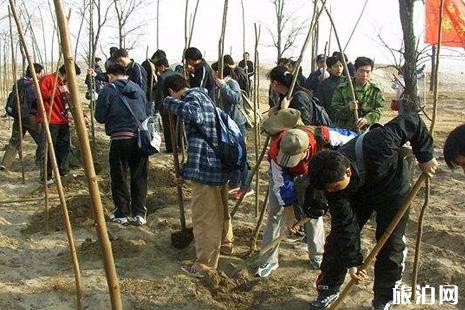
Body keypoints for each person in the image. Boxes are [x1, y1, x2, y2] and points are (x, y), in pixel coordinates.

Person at [305, 113, 439, 310]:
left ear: (347, 172)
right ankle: (328, 290)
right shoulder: (331, 187)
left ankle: (384, 298)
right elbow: (346, 226)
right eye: (328, 190)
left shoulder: (380, 143)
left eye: (334, 187)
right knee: (337, 241)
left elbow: (412, 121)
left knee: (391, 244)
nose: (330, 192)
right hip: (358, 194)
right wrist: (353, 263)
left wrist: (425, 156)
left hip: (393, 190)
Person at [256, 109, 357, 278]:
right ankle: (269, 259)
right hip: (283, 179)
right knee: (275, 213)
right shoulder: (276, 152)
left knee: (314, 211)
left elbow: (353, 140)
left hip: (314, 173)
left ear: (306, 150)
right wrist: (290, 215)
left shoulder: (323, 135)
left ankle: (317, 255)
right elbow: (282, 186)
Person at [163, 74, 233, 276]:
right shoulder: (204, 97)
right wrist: (185, 172)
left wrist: (169, 103)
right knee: (220, 211)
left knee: (205, 218)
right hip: (215, 166)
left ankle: (204, 265)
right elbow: (200, 144)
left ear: (171, 91)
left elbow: (194, 115)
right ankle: (225, 244)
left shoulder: (193, 98)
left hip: (207, 172)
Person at [95, 64, 149, 226]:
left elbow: (100, 117)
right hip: (140, 138)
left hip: (119, 139)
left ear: (111, 76)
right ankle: (139, 214)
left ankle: (122, 212)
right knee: (139, 176)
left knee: (119, 176)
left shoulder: (108, 90)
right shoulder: (138, 89)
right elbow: (146, 111)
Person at [211, 60, 252, 199]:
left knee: (241, 156)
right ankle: (235, 182)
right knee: (231, 155)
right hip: (226, 124)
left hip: (237, 124)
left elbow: (236, 98)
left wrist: (223, 86)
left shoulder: (231, 83)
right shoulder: (217, 85)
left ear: (219, 72)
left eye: (214, 71)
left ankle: (246, 186)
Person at [37, 63, 81, 182]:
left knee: (63, 147)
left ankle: (64, 172)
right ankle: (46, 177)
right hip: (50, 119)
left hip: (63, 120)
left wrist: (83, 115)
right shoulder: (47, 79)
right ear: (66, 73)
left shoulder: (65, 84)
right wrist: (58, 90)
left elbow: (71, 101)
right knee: (48, 149)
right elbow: (41, 95)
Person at [1, 63, 44, 171]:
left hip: (18, 116)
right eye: (40, 72)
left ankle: (5, 164)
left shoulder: (19, 82)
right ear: (35, 73)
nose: (41, 75)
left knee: (14, 141)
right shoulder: (30, 85)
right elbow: (34, 100)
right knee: (42, 139)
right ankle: (40, 161)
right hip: (30, 117)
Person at [329, 56, 384, 131]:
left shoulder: (375, 90)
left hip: (366, 132)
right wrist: (348, 108)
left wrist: (367, 119)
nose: (364, 75)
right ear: (355, 71)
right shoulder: (342, 88)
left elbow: (378, 110)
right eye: (361, 71)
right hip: (344, 131)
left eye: (368, 72)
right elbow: (334, 111)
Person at [153, 57, 179, 153]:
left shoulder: (162, 77)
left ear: (162, 67)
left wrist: (157, 107)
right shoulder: (178, 74)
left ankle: (170, 148)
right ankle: (180, 145)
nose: (158, 70)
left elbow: (159, 94)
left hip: (166, 106)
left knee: (168, 129)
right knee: (178, 127)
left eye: (158, 68)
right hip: (178, 105)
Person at [142, 49, 166, 114]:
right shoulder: (147, 64)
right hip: (148, 92)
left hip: (154, 92)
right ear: (156, 57)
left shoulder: (154, 65)